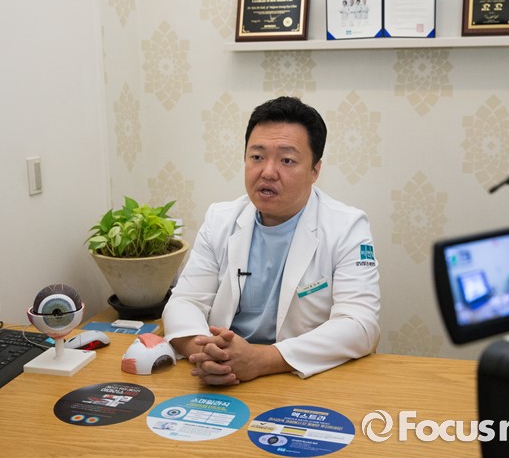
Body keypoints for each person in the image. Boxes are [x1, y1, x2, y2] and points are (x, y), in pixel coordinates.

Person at [162, 96, 381, 386]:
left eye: (287, 160)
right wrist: (209, 354)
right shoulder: (220, 219)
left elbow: (360, 325)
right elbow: (184, 301)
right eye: (257, 157)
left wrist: (261, 360)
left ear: (315, 170)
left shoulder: (347, 227)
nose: (267, 172)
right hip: (221, 377)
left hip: (296, 377)